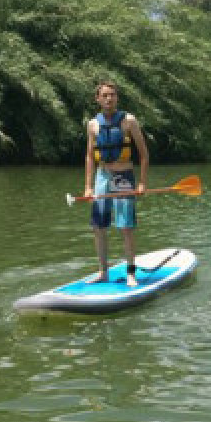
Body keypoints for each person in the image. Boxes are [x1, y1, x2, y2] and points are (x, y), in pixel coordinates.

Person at [84, 80, 149, 286]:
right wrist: (88, 187)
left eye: (112, 95)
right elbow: (89, 157)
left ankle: (131, 273)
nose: (109, 98)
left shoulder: (129, 121)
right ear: (97, 99)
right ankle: (103, 272)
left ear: (117, 97)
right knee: (98, 226)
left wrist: (142, 183)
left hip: (124, 177)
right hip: (102, 176)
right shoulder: (92, 125)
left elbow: (144, 155)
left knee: (126, 226)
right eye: (104, 95)